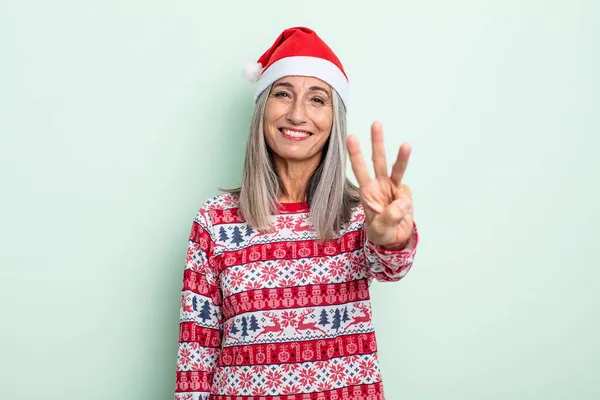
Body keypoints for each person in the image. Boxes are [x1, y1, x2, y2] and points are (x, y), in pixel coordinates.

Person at [174, 26, 419, 400]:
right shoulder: (214, 221)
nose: (297, 113)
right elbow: (197, 353)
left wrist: (392, 239)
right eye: (283, 93)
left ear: (335, 118)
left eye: (317, 99)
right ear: (262, 109)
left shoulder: (358, 217)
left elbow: (391, 267)